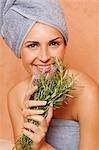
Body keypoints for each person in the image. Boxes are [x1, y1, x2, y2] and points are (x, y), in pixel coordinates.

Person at [0, 0, 99, 150]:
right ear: (18, 49)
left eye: (54, 44)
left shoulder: (86, 92)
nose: (45, 57)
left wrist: (42, 147)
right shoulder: (16, 95)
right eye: (32, 45)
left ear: (65, 45)